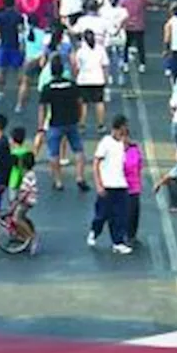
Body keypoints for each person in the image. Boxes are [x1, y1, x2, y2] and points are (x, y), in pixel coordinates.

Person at [38, 56, 86, 191]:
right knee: (78, 150)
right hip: (72, 121)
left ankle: (58, 181)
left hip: (55, 123)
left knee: (54, 153)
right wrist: (80, 118)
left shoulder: (48, 88)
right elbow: (80, 102)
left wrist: (41, 127)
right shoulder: (72, 85)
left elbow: (42, 108)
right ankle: (80, 177)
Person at [88, 114, 132, 255]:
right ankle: (95, 231)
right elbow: (96, 163)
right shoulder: (105, 143)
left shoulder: (123, 143)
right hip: (107, 185)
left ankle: (117, 242)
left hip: (121, 185)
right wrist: (99, 184)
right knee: (102, 214)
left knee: (120, 216)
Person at [74, 30, 110, 134]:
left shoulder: (80, 51)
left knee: (83, 104)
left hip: (83, 80)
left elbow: (77, 67)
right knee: (99, 102)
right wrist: (106, 78)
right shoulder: (100, 49)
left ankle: (81, 125)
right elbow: (105, 66)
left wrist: (76, 78)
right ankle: (100, 125)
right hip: (98, 79)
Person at [0, 0, 24, 100]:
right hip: (15, 46)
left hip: (4, 46)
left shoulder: (0, 16)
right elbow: (21, 31)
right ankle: (21, 88)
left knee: (1, 70)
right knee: (19, 69)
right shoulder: (18, 16)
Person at [12, 149, 39, 253]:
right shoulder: (30, 174)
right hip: (30, 200)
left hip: (27, 201)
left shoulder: (28, 176)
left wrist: (18, 200)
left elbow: (26, 191)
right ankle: (30, 232)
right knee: (22, 216)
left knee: (17, 218)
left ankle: (30, 237)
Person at [123, 138, 144, 244]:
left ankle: (131, 235)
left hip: (134, 186)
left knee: (134, 212)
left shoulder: (134, 150)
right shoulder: (114, 150)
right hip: (120, 186)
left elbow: (138, 165)